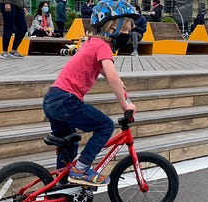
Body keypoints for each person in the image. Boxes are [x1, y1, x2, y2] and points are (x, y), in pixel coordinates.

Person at [43, 0, 138, 187]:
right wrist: (125, 105)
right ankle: (81, 169)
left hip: (53, 99)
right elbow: (111, 75)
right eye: (125, 30)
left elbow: (99, 68)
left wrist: (120, 84)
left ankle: (62, 186)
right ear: (111, 28)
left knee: (68, 144)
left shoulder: (92, 42)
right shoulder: (103, 46)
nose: (127, 34)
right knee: (104, 126)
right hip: (66, 100)